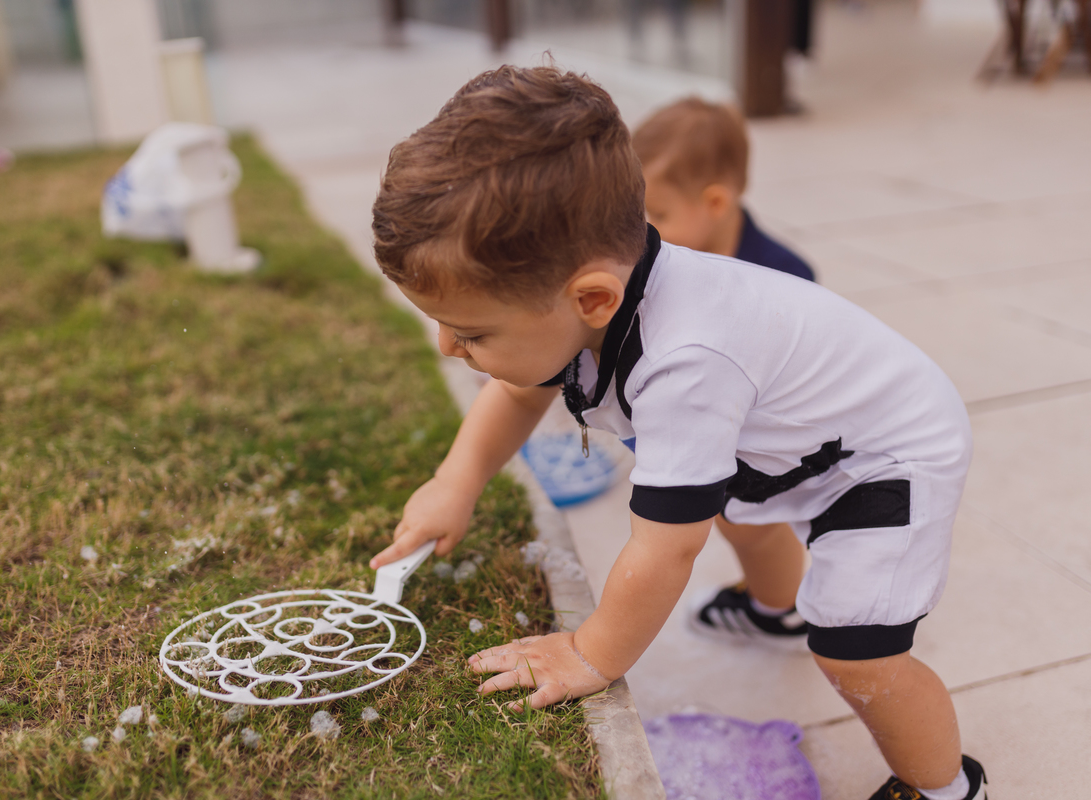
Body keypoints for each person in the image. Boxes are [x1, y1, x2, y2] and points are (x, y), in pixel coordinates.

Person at [368, 66, 987, 800]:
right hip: (802, 437)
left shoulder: (685, 363)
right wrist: (456, 480)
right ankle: (775, 608)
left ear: (591, 298)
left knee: (857, 650)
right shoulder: (594, 302)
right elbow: (516, 390)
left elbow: (666, 549)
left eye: (470, 331)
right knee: (735, 511)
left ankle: (946, 787)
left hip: (887, 454)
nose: (445, 345)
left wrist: (589, 654)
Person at [633, 97, 819, 651]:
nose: (641, 231)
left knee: (749, 525)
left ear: (715, 201)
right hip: (722, 419)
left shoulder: (780, 275)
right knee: (741, 523)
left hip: (770, 434)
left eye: (656, 214)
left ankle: (780, 609)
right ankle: (777, 596)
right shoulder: (671, 256)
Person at [632, 97, 814, 281]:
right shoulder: (653, 267)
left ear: (715, 203)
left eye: (660, 215)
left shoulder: (786, 276)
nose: (648, 228)